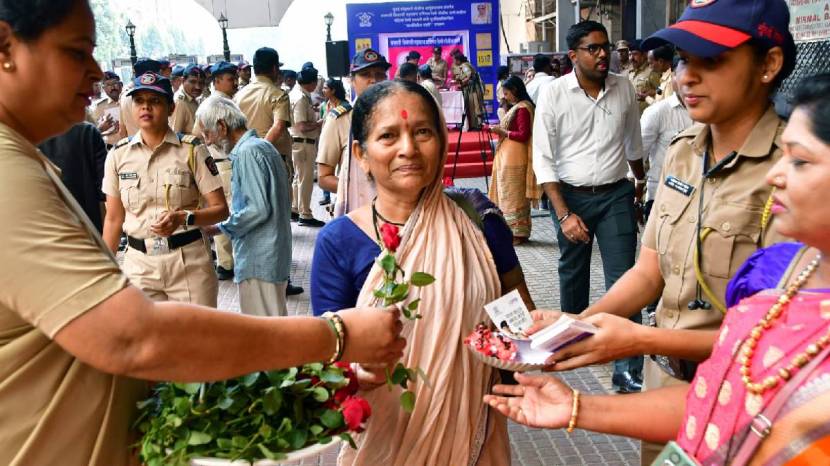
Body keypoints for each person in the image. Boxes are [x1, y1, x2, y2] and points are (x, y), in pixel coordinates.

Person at [0, 2, 407, 464]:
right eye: (77, 52)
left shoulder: (27, 161)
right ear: (4, 49)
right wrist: (334, 335)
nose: (96, 72)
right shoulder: (9, 174)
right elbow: (133, 337)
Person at [486, 72, 830, 466]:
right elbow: (718, 400)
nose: (776, 175)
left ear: (767, 65)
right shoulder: (774, 276)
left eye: (801, 160)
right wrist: (577, 396)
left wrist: (638, 340)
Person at [528, 0, 796, 461]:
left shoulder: (794, 170)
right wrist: (579, 325)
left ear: (768, 64)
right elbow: (649, 271)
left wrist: (638, 339)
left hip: (748, 396)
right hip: (666, 383)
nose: (685, 77)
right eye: (682, 60)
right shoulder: (683, 152)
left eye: (710, 61)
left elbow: (778, 336)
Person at [311, 80, 536, 465]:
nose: (409, 149)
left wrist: (532, 349)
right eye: (388, 136)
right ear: (362, 155)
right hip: (382, 436)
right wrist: (351, 371)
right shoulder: (339, 241)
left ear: (441, 141)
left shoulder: (478, 219)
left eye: (422, 132)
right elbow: (326, 357)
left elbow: (520, 318)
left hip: (473, 432)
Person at [533, 20, 647, 393]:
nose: (603, 54)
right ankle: (573, 347)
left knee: (626, 281)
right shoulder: (554, 94)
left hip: (616, 194)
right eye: (593, 48)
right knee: (574, 277)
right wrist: (564, 214)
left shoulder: (624, 87)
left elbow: (633, 143)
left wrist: (641, 183)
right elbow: (544, 159)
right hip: (571, 196)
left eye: (606, 47)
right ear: (573, 55)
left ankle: (628, 370)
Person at [102, 72, 228, 306]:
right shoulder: (118, 155)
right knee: (147, 340)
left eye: (155, 101)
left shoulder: (191, 149)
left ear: (171, 108)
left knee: (197, 339)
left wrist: (184, 217)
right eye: (139, 101)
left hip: (188, 264)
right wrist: (104, 272)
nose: (146, 107)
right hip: (139, 267)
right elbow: (113, 218)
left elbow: (221, 210)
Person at [197, 96, 294, 316]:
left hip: (259, 257)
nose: (208, 141)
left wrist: (219, 228)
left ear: (222, 126)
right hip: (270, 253)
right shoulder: (261, 146)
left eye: (207, 133)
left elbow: (257, 209)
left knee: (265, 334)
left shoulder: (248, 153)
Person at [317, 48, 390, 217]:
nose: (373, 80)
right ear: (352, 80)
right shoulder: (340, 120)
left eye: (379, 74)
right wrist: (361, 189)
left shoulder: (397, 117)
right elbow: (324, 177)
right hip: (356, 213)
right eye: (365, 74)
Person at [194, 61, 239, 281]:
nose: (235, 82)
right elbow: (197, 136)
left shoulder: (226, 101)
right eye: (230, 78)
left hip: (228, 162)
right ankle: (226, 263)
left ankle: (228, 261)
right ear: (217, 81)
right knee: (227, 209)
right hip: (221, 163)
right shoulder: (213, 104)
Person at [484, 76, 540, 244]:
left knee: (513, 197)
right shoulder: (518, 107)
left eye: (507, 93)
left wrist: (503, 132)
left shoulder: (523, 108)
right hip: (510, 157)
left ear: (515, 91)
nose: (505, 97)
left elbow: (523, 135)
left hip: (515, 158)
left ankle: (517, 233)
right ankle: (513, 231)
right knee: (508, 194)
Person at [640, 59, 691, 221]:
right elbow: (638, 155)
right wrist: (636, 194)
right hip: (662, 199)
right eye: (683, 75)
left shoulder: (713, 113)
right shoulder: (657, 113)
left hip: (700, 201)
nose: (690, 81)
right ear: (673, 77)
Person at [38, 122, 108, 231]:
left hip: (43, 231)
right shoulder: (88, 132)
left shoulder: (22, 140)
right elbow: (105, 190)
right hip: (87, 229)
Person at [289, 66, 325, 227]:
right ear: (311, 83)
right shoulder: (301, 98)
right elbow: (302, 126)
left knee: (298, 178)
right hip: (302, 142)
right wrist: (319, 123)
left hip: (297, 143)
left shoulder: (298, 94)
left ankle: (296, 209)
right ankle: (305, 214)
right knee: (305, 180)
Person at [117, 58, 161, 139]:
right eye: (158, 74)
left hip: (133, 147)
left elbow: (122, 131)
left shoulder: (124, 96)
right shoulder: (156, 96)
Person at [628, 40, 661, 113]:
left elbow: (662, 92)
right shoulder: (630, 73)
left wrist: (653, 92)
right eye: (630, 55)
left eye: (635, 54)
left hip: (647, 116)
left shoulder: (652, 72)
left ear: (644, 55)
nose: (631, 58)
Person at [170, 63, 204, 134]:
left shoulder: (191, 97)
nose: (198, 87)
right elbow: (175, 134)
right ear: (182, 81)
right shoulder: (180, 102)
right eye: (193, 82)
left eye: (201, 83)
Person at [454, 53, 484, 130]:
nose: (454, 62)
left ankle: (477, 125)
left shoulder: (465, 66)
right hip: (471, 89)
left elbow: (469, 76)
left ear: (459, 60)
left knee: (474, 106)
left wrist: (462, 84)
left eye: (455, 60)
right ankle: (475, 125)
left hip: (473, 89)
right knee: (472, 107)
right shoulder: (464, 65)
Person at [91, 71, 121, 148]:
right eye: (108, 85)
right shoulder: (99, 107)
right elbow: (92, 135)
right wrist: (102, 129)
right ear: (103, 88)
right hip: (111, 148)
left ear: (121, 84)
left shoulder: (131, 101)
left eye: (115, 83)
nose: (112, 87)